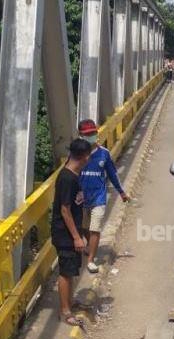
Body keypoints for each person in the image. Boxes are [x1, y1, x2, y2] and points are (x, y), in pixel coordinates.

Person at [78, 119, 130, 273]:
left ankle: (90, 260)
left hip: (99, 198)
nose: (91, 136)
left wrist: (121, 192)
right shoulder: (77, 153)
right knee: (84, 227)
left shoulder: (104, 154)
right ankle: (89, 245)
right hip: (81, 198)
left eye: (93, 133)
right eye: (87, 134)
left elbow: (113, 175)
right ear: (80, 135)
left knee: (95, 228)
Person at [51, 138, 92, 326]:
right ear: (84, 157)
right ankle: (65, 311)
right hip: (65, 234)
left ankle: (71, 301)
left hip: (72, 232)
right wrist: (76, 237)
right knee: (66, 272)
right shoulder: (67, 179)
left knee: (72, 269)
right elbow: (65, 210)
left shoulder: (74, 175)